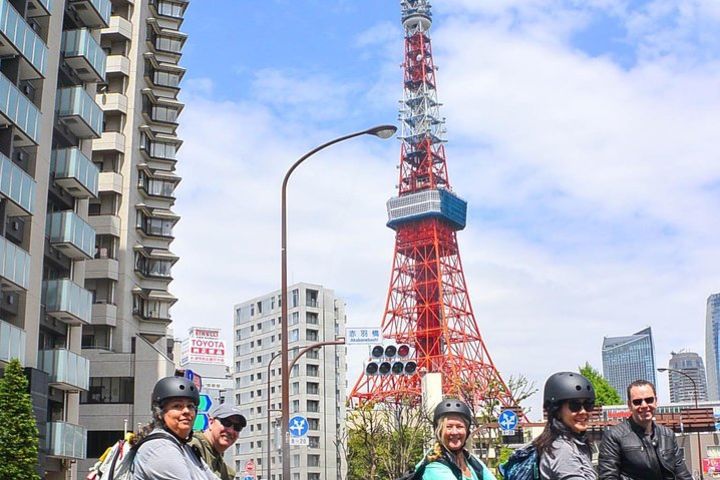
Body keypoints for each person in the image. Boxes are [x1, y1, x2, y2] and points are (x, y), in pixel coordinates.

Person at [598, 379, 692, 480]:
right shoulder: (613, 436)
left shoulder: (668, 435)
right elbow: (607, 477)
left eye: (649, 400)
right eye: (637, 402)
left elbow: (683, 475)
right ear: (629, 405)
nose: (644, 406)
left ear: (656, 401)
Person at [133, 376, 219, 480]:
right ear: (160, 413)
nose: (186, 411)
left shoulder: (187, 449)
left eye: (190, 406)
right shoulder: (160, 448)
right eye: (177, 406)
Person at [534, 371, 597, 480]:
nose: (583, 411)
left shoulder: (576, 444)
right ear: (557, 411)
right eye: (575, 405)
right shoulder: (561, 449)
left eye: (588, 405)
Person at [419, 397, 496, 480]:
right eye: (449, 427)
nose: (454, 432)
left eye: (459, 427)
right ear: (439, 431)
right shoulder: (434, 465)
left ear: (467, 431)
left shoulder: (472, 461)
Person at [189, 403, 247, 480]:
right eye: (226, 423)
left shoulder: (223, 467)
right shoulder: (193, 447)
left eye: (237, 427)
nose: (231, 430)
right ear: (211, 422)